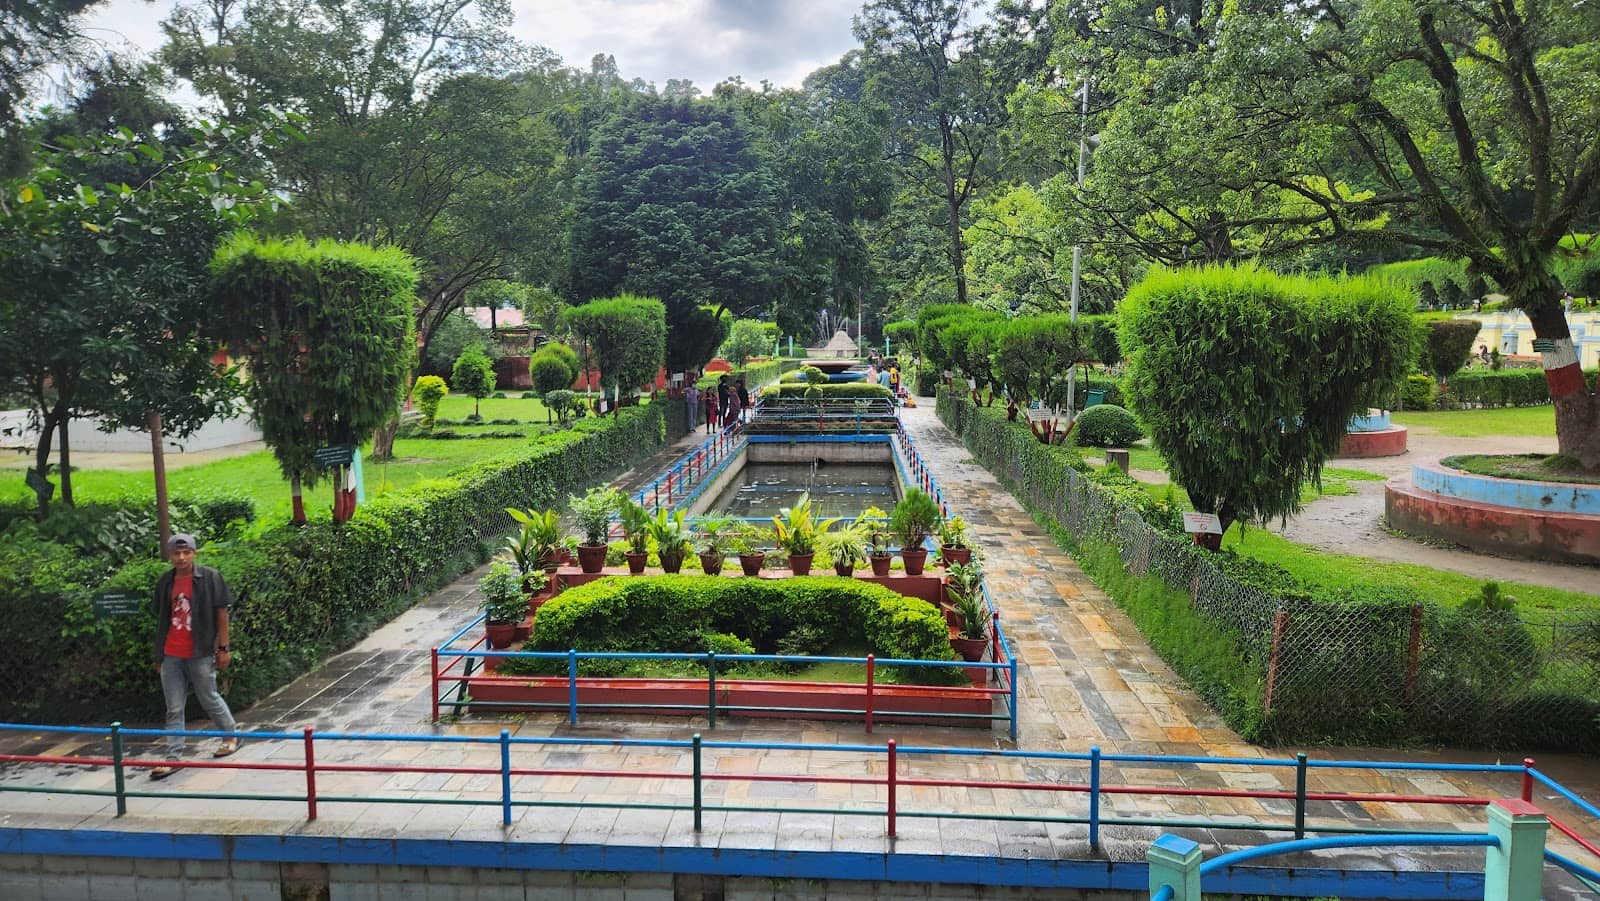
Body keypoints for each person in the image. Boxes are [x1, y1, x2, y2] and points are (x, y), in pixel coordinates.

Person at [151, 533, 239, 778]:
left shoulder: (210, 577)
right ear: (169, 556)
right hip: (171, 653)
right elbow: (162, 619)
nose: (181, 557)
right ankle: (173, 757)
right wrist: (159, 656)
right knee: (173, 707)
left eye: (186, 552)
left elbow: (221, 614)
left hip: (200, 652)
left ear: (194, 553)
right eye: (176, 553)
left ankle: (230, 736)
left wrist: (223, 648)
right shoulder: (165, 582)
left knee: (208, 696)